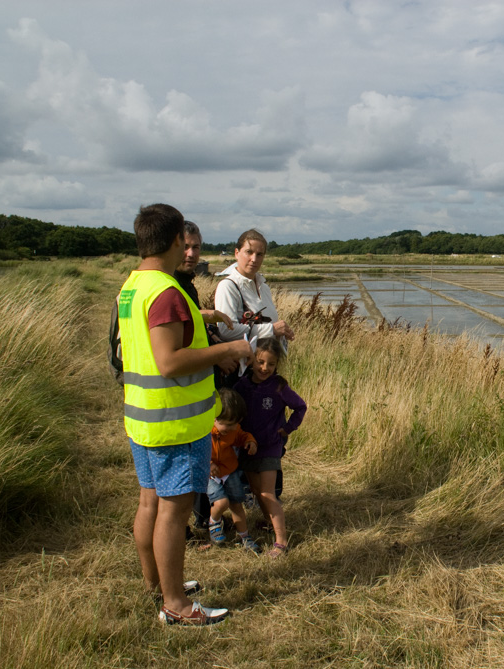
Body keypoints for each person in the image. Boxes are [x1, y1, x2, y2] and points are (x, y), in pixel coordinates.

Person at [116, 203, 252, 625]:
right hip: (172, 423)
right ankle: (176, 606)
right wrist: (229, 348)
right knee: (172, 513)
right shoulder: (167, 292)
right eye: (186, 241)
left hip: (143, 417)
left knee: (149, 504)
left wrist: (205, 317)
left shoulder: (132, 286)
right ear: (176, 239)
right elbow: (169, 360)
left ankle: (158, 585)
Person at [174, 221, 236, 533]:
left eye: (196, 247)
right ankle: (189, 521)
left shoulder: (187, 283)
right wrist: (220, 350)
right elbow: (179, 335)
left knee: (197, 457)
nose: (191, 253)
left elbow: (194, 330)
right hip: (177, 393)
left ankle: (200, 515)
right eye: (185, 246)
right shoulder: (169, 286)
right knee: (184, 463)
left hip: (195, 387)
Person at [234, 337, 307, 558]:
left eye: (271, 364)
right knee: (256, 491)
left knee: (267, 493)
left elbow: (300, 407)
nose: (265, 368)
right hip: (247, 447)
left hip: (270, 447)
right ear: (250, 360)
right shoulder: (242, 386)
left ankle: (281, 542)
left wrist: (287, 429)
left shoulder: (279, 386)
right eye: (260, 362)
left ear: (277, 365)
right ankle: (269, 522)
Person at [213, 229, 295, 351]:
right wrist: (271, 330)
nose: (254, 259)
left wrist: (282, 333)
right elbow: (226, 331)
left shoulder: (264, 287)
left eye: (259, 254)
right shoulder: (228, 286)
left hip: (266, 364)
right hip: (244, 365)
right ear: (237, 253)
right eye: (249, 252)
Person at [207, 388, 262, 554]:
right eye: (227, 424)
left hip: (229, 472)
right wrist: (208, 464)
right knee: (221, 502)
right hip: (210, 475)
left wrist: (251, 442)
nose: (231, 429)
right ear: (214, 417)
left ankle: (244, 537)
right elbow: (197, 451)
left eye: (234, 425)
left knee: (237, 505)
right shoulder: (205, 431)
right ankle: (214, 522)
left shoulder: (233, 429)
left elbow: (242, 435)